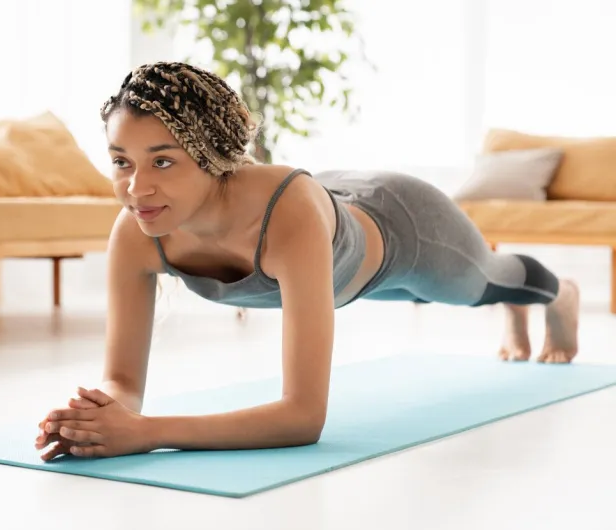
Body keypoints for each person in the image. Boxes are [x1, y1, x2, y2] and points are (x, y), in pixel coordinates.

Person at [34, 61, 580, 461]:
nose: (137, 187)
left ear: (210, 158)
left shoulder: (285, 217)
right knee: (419, 293)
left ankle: (559, 296)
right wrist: (98, 419)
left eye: (163, 161)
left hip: (401, 224)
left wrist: (148, 433)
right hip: (332, 227)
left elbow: (302, 416)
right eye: (120, 161)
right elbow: (123, 380)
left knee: (483, 282)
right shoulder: (136, 231)